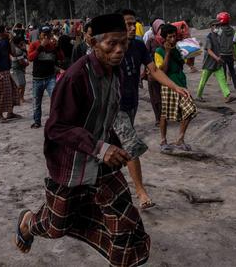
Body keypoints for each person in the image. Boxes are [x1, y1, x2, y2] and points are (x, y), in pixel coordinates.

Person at [14, 14, 150, 267]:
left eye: (124, 43)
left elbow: (110, 114)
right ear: (93, 42)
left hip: (103, 165)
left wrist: (121, 145)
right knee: (56, 226)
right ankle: (29, 222)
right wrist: (99, 147)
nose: (119, 49)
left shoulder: (116, 72)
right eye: (111, 43)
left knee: (124, 224)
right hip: (71, 165)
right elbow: (56, 127)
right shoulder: (76, 77)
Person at [116, 9, 190, 209]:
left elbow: (154, 70)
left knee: (116, 146)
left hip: (132, 103)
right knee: (131, 145)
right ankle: (141, 192)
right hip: (114, 107)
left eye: (134, 24)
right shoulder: (111, 47)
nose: (133, 28)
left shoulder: (139, 46)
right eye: (127, 24)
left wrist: (175, 87)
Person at [155, 23, 198, 152]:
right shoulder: (159, 51)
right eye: (170, 37)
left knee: (190, 109)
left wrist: (192, 52)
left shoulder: (179, 49)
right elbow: (162, 70)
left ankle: (180, 139)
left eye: (174, 36)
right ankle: (163, 141)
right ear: (164, 38)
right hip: (168, 85)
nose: (173, 39)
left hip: (181, 84)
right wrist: (167, 53)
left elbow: (189, 63)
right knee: (165, 114)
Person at [27, 25, 64, 128]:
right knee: (36, 102)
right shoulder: (34, 44)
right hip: (37, 79)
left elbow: (61, 58)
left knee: (55, 99)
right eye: (44, 34)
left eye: (48, 34)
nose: (46, 37)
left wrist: (57, 47)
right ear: (40, 35)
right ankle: (37, 121)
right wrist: (41, 46)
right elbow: (30, 58)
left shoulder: (53, 45)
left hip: (50, 78)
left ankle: (56, 120)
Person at [196, 21, 236, 104]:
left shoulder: (218, 36)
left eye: (219, 26)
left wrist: (220, 58)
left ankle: (227, 96)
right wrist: (217, 58)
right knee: (203, 81)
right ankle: (198, 96)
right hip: (209, 63)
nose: (218, 27)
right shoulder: (209, 37)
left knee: (222, 79)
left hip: (217, 64)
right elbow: (208, 50)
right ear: (212, 26)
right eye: (217, 26)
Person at [0, 26, 21, 123]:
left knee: (13, 91)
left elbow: (14, 53)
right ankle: (0, 115)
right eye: (5, 31)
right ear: (0, 33)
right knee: (2, 94)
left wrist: (11, 41)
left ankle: (10, 113)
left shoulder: (6, 42)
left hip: (7, 71)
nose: (7, 32)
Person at [145, 18, 165, 125]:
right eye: (160, 28)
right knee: (154, 96)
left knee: (163, 95)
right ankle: (158, 117)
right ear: (155, 29)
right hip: (152, 72)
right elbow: (145, 56)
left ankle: (163, 116)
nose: (162, 30)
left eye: (163, 28)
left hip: (164, 72)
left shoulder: (167, 40)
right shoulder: (151, 41)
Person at [215, 12, 236, 90]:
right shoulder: (232, 30)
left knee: (223, 72)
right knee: (232, 71)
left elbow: (215, 37)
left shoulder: (219, 30)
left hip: (222, 54)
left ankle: (225, 88)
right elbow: (234, 42)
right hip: (230, 54)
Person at [10, 35, 29, 103]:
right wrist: (27, 63)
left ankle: (20, 97)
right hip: (17, 69)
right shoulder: (18, 50)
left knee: (21, 84)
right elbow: (21, 62)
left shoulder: (16, 48)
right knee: (21, 84)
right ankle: (19, 98)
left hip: (17, 69)